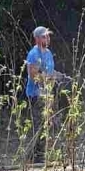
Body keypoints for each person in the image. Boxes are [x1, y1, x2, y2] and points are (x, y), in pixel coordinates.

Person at [26, 26, 58, 162]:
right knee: (40, 126)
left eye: (48, 36)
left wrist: (58, 76)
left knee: (50, 124)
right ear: (37, 38)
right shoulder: (33, 54)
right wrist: (48, 78)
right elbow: (33, 75)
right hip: (36, 95)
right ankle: (36, 157)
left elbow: (51, 72)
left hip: (47, 94)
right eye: (44, 36)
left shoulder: (49, 53)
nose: (47, 38)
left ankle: (41, 155)